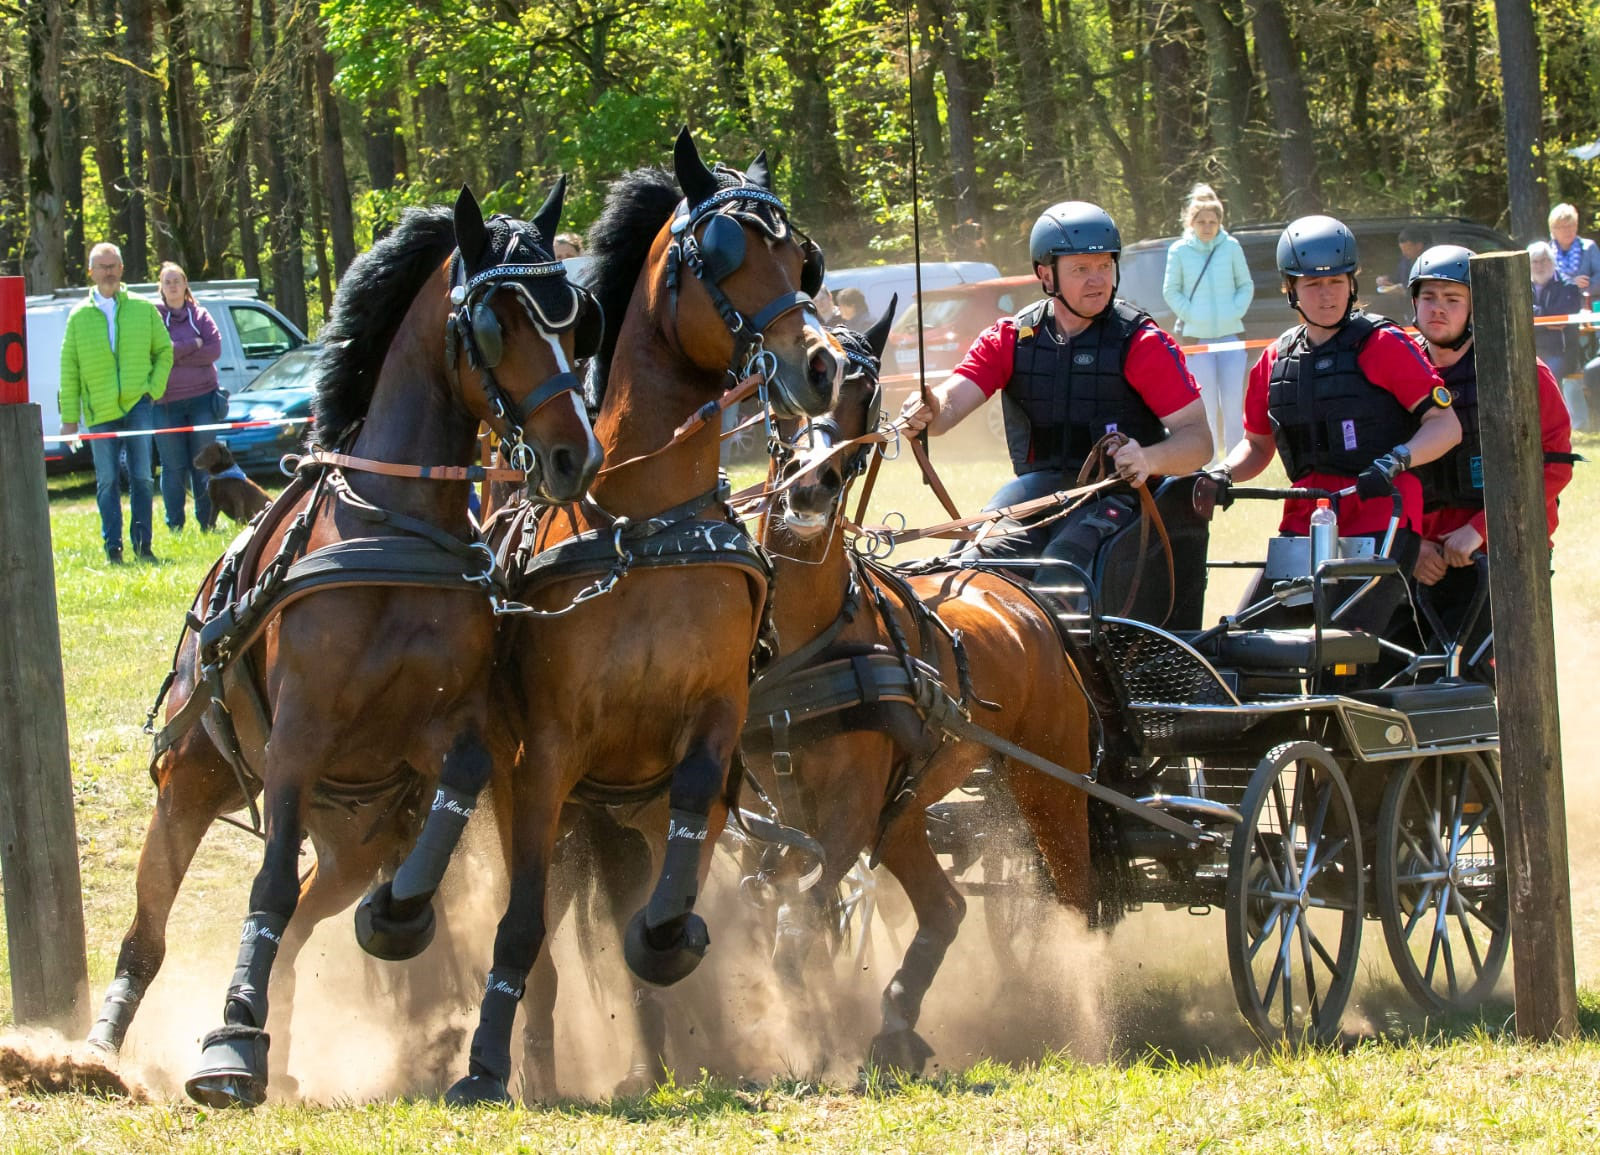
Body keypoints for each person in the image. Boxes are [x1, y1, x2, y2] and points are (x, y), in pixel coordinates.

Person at [900, 199, 1211, 571]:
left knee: (1061, 571)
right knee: (973, 564)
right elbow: (947, 409)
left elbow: (1199, 440)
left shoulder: (1142, 343)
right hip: (1035, 491)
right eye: (1081, 268)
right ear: (1046, 275)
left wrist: (1149, 458)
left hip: (1119, 494)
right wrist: (930, 407)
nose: (1097, 280)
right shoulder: (1010, 339)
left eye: (1104, 266)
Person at [1218, 215, 1459, 633]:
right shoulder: (1275, 360)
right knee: (1243, 639)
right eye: (1313, 284)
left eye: (1337, 283)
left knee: (1338, 651)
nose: (1327, 296)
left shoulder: (1384, 345)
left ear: (1353, 283)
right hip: (1304, 525)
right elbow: (1256, 448)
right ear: (1289, 289)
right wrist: (1218, 474)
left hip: (1382, 520)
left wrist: (1396, 461)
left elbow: (1445, 426)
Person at [1407, 244, 1573, 680]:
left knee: (1481, 679)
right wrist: (1416, 544)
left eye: (1453, 299)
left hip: (1504, 555)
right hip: (1423, 560)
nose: (1438, 309)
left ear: (1475, 308)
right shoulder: (1396, 373)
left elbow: (1553, 468)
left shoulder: (1524, 373)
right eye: (1429, 297)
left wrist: (1480, 530)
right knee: (1405, 683)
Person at [59, 242, 174, 563]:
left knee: (142, 478)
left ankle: (143, 547)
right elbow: (69, 370)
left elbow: (164, 351)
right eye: (102, 266)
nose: (108, 272)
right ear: (91, 272)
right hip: (99, 410)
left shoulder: (142, 307)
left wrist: (153, 388)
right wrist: (70, 419)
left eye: (113, 266)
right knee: (107, 481)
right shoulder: (78, 316)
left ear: (121, 269)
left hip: (139, 404)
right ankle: (114, 550)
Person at [1162, 183, 1253, 457]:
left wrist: (1233, 312)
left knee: (1233, 403)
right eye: (1202, 221)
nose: (1207, 226)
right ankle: (1211, 462)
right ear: (1192, 222)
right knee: (1207, 406)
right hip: (1197, 340)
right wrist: (1192, 315)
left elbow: (1246, 285)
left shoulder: (1232, 246)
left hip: (1231, 336)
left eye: (1213, 221)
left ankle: (1236, 461)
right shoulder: (1178, 250)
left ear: (1219, 223)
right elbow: (1170, 290)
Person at [153, 262, 225, 532]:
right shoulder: (154, 317)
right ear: (161, 287)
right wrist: (194, 344)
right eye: (167, 281)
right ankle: (175, 526)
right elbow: (159, 352)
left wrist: (176, 353)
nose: (172, 286)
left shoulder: (201, 315)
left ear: (185, 285)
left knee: (204, 464)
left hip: (203, 400)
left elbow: (214, 350)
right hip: (165, 404)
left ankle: (207, 522)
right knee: (173, 468)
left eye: (177, 281)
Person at [1528, 240, 1587, 428]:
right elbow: (1517, 313)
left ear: (1552, 262)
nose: (1539, 265)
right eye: (1535, 261)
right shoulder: (1521, 286)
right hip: (1530, 350)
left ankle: (1554, 424)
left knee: (1544, 375)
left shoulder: (1568, 286)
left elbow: (1559, 319)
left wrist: (1534, 318)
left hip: (1561, 352)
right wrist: (1543, 320)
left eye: (1544, 260)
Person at [1374, 225, 1431, 293]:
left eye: (1407, 249)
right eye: (1402, 250)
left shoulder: (1432, 263)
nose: (1404, 253)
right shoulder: (1406, 260)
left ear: (1419, 246)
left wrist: (1405, 291)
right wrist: (1386, 279)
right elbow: (1398, 277)